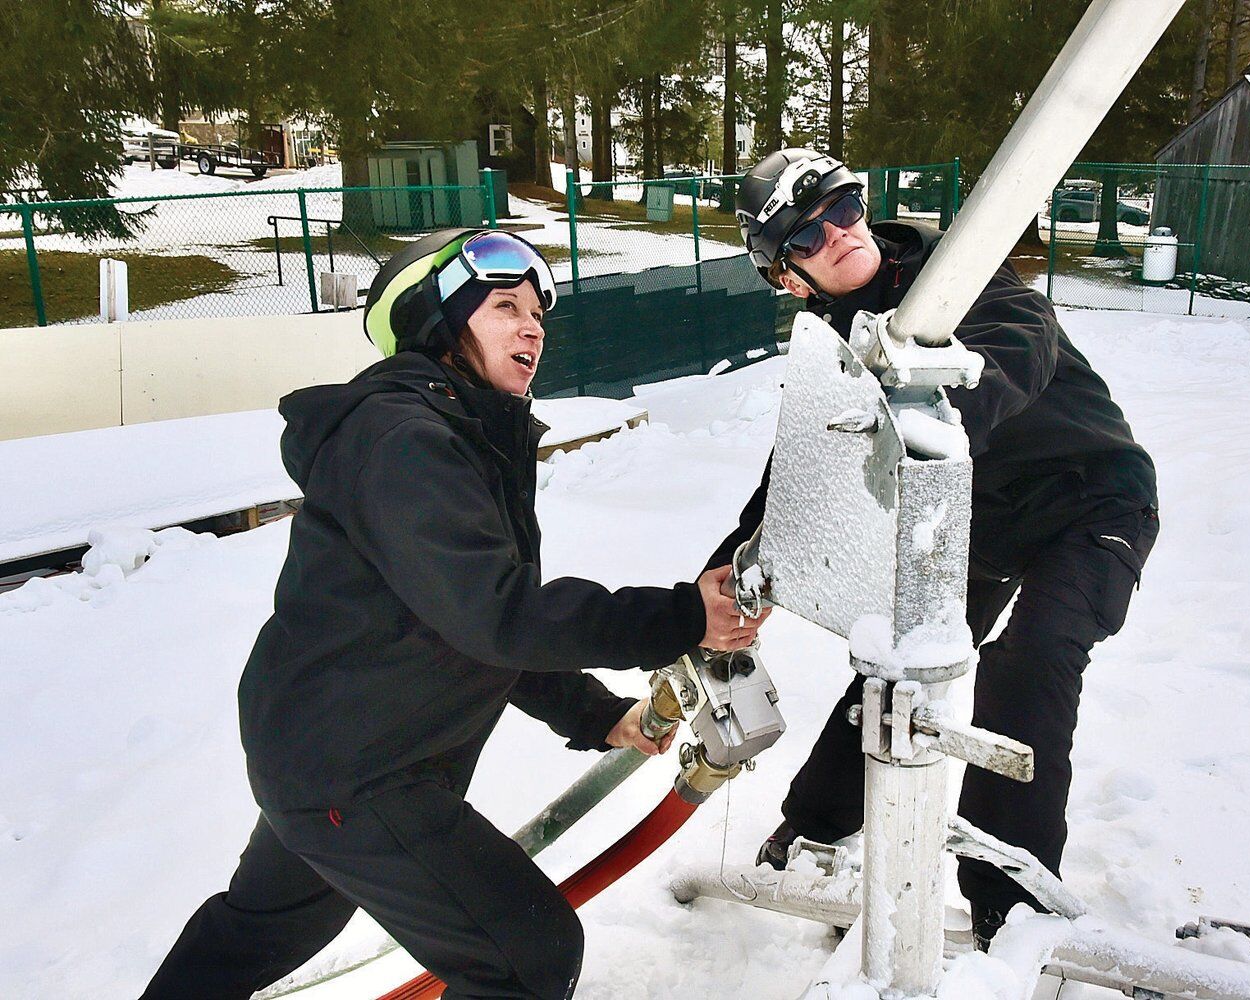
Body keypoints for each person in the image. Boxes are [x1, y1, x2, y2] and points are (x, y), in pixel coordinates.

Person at [139, 229, 767, 1000]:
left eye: (538, 311)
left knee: (261, 930)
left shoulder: (459, 436)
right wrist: (679, 617)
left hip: (332, 749)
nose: (533, 325)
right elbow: (495, 615)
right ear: (440, 325)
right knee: (526, 952)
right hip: (361, 769)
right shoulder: (404, 439)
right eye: (505, 306)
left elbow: (463, 622)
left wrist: (595, 715)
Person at [708, 150, 1159, 948]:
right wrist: (730, 574)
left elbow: (1023, 342)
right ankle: (815, 825)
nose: (837, 235)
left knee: (1032, 658)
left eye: (844, 208)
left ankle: (1008, 899)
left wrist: (937, 413)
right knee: (894, 660)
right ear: (788, 278)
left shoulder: (953, 273)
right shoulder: (835, 346)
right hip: (977, 523)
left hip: (1091, 498)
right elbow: (800, 472)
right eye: (806, 239)